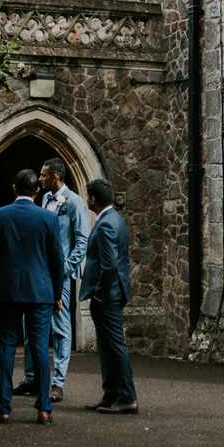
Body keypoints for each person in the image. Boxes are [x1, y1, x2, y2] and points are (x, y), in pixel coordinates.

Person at [0, 167, 63, 424]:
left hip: (4, 291)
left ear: (14, 189)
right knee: (40, 348)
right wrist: (57, 294)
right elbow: (57, 261)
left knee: (5, 347)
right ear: (37, 191)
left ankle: (3, 408)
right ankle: (44, 408)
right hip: (40, 291)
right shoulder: (48, 219)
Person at [14, 157, 89, 403]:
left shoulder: (75, 203)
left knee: (59, 328)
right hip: (38, 273)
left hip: (60, 277)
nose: (40, 178)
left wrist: (64, 269)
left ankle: (57, 383)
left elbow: (82, 241)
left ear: (55, 177)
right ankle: (31, 378)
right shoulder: (45, 200)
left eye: (43, 175)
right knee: (30, 326)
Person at [81, 177, 137, 414]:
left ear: (93, 199)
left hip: (108, 296)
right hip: (116, 292)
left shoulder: (104, 224)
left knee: (115, 347)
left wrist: (101, 296)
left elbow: (110, 266)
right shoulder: (116, 219)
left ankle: (127, 397)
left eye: (88, 197)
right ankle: (111, 393)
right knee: (107, 346)